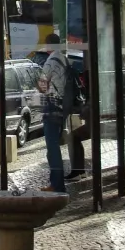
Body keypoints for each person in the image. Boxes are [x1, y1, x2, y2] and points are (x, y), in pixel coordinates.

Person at [37, 33, 72, 193]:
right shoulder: (64, 59)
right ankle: (57, 183)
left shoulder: (50, 62)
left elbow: (42, 86)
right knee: (55, 146)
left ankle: (56, 185)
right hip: (63, 106)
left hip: (52, 106)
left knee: (52, 148)